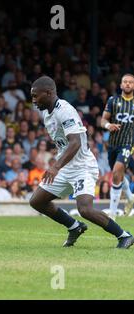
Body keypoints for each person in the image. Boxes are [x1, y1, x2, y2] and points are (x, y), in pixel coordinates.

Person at [29, 76, 133, 249]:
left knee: (85, 209)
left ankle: (124, 235)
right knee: (37, 201)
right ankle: (74, 226)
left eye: (35, 96)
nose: (33, 100)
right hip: (65, 166)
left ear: (48, 93)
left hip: (82, 167)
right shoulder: (47, 112)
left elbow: (75, 142)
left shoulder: (65, 110)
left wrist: (55, 166)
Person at [100, 74, 134, 217]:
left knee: (116, 172)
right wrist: (108, 125)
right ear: (120, 85)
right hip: (113, 145)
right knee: (117, 175)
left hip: (128, 144)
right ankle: (131, 197)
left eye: (130, 82)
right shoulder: (113, 101)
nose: (127, 84)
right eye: (125, 82)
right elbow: (102, 120)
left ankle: (112, 215)